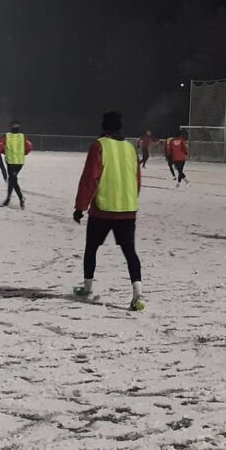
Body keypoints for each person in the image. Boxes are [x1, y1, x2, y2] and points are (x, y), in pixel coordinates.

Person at [73, 111, 146, 311]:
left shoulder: (99, 145)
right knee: (130, 252)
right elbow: (137, 179)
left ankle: (87, 288)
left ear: (104, 126)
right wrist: (130, 198)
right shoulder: (130, 148)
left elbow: (90, 178)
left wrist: (80, 207)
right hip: (128, 209)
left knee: (92, 248)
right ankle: (138, 294)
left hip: (103, 210)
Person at [0, 120, 32, 209]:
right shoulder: (22, 136)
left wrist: (5, 152)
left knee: (13, 180)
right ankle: (8, 199)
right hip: (20, 162)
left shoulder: (6, 136)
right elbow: (29, 147)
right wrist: (23, 153)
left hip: (11, 162)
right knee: (12, 179)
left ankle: (20, 198)